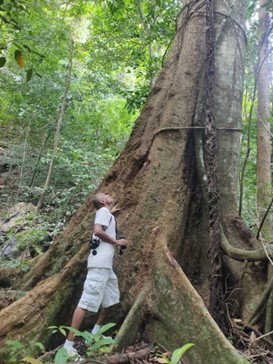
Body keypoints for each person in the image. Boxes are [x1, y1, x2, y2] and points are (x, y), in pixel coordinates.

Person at [63, 192, 128, 355]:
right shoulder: (103, 212)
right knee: (85, 303)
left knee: (109, 300)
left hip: (106, 267)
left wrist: (112, 214)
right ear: (103, 201)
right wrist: (116, 242)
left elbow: (103, 223)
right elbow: (98, 231)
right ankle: (68, 346)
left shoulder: (106, 214)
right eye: (106, 194)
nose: (109, 194)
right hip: (99, 265)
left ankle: (94, 335)